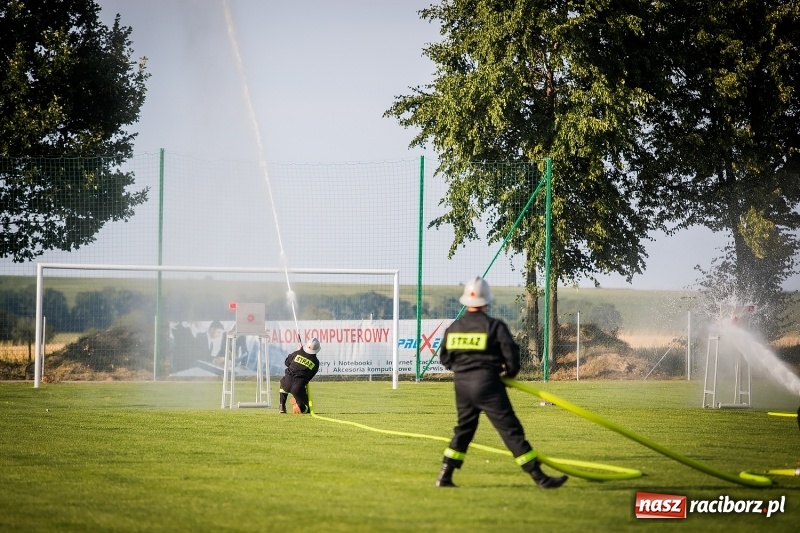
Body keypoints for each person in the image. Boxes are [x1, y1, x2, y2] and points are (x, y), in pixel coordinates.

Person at [435, 277, 568, 489]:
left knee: (464, 429)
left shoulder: (454, 328)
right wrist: (509, 375)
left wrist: (463, 370)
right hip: (488, 384)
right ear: (486, 300)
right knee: (510, 430)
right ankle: (540, 478)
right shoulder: (494, 326)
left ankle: (444, 476)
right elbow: (512, 356)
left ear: (466, 300)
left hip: (462, 386)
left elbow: (444, 358)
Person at [279, 338, 321, 414]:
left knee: (283, 384)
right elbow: (309, 377)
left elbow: (287, 363)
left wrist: (298, 351)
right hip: (298, 388)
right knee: (307, 409)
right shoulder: (316, 362)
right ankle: (300, 405)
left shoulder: (297, 353)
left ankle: (282, 405)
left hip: (286, 383)